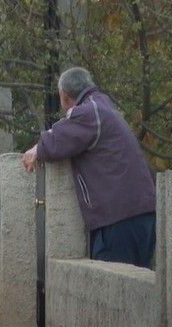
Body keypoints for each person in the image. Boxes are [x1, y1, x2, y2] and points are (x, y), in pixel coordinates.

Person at [22, 66, 156, 269]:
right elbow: (66, 128)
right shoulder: (102, 105)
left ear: (64, 97)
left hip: (118, 219)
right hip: (137, 213)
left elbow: (59, 138)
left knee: (112, 289)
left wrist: (37, 149)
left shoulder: (89, 112)